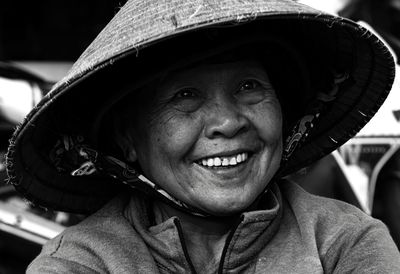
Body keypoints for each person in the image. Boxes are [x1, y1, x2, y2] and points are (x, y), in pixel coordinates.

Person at [5, 0, 400, 273]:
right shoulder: (81, 263)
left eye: (248, 85)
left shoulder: (344, 243)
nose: (228, 123)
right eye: (185, 95)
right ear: (127, 139)